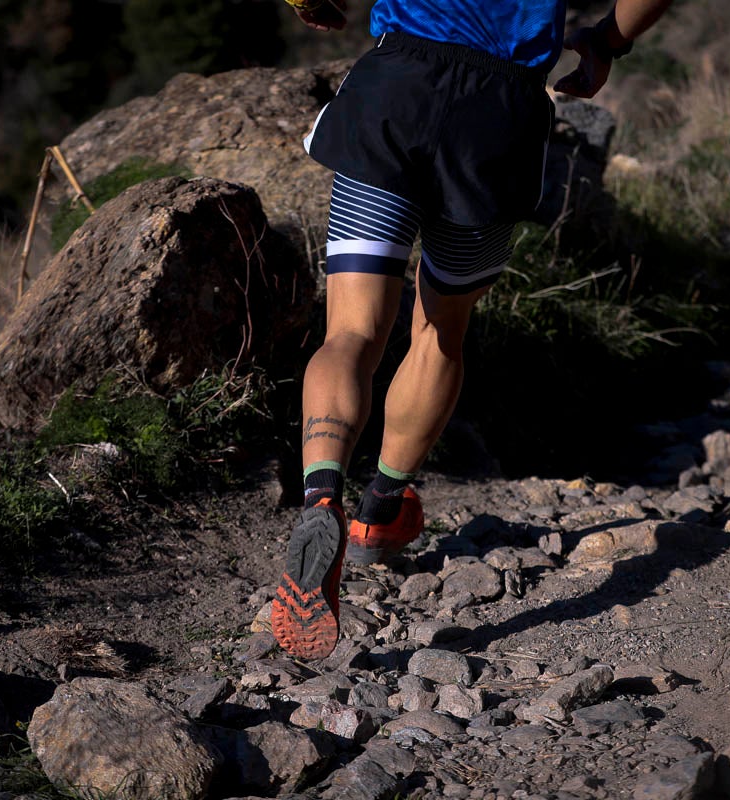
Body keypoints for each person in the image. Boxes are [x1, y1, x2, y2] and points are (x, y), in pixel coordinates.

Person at [271, 0, 674, 659]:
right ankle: (379, 512)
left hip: (395, 88)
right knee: (439, 332)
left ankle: (321, 496)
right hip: (499, 116)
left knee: (349, 334)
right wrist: (606, 41)